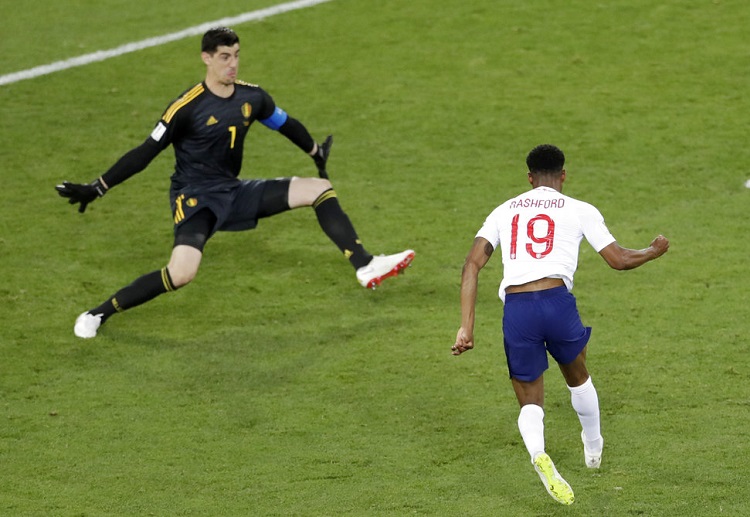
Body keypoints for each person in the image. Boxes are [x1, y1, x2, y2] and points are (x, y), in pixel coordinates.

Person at [56, 27, 414, 339]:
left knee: (317, 190)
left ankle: (364, 264)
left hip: (234, 190)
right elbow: (144, 152)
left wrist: (315, 151)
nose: (233, 64)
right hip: (196, 198)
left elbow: (284, 123)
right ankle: (98, 313)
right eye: (225, 57)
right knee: (181, 274)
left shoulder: (251, 97)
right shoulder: (185, 107)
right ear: (206, 59)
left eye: (237, 56)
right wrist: (97, 187)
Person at [451, 144, 669, 505]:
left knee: (529, 399)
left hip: (518, 308)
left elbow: (471, 265)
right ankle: (593, 449)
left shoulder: (504, 210)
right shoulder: (579, 209)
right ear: (563, 175)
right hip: (556, 302)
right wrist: (652, 251)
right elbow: (618, 260)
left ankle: (539, 454)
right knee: (577, 374)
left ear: (529, 178)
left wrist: (466, 328)